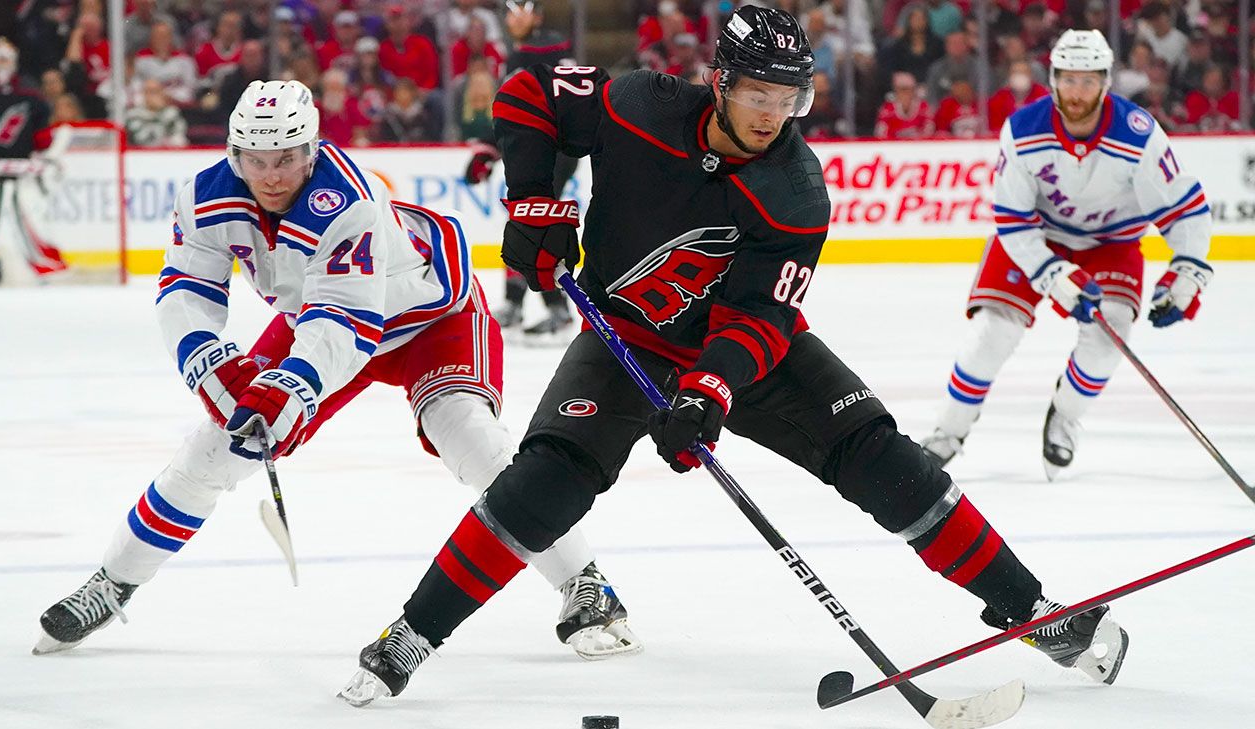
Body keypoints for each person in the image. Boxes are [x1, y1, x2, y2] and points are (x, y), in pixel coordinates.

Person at [336, 7, 1130, 708]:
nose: (772, 115)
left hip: (746, 356)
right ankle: (410, 635)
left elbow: (760, 314)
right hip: (626, 341)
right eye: (759, 95)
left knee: (880, 455)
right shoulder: (640, 105)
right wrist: (535, 199)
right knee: (544, 480)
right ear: (721, 81)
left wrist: (708, 391)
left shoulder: (794, 188)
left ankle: (1033, 612)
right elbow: (527, 90)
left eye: (789, 100)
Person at [32, 80, 641, 663]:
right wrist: (209, 365)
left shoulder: (350, 198)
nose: (271, 174)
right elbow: (186, 287)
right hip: (321, 322)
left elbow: (343, 321)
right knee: (213, 448)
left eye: (288, 157)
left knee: (475, 445)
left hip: (430, 318)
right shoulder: (206, 195)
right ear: (233, 152)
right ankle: (112, 584)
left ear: (314, 147)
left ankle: (586, 583)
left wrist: (285, 388)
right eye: (255, 158)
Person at [920, 30, 1213, 479]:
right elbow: (1012, 218)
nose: (1078, 92)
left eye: (1089, 81)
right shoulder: (1022, 130)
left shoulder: (1138, 135)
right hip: (1038, 238)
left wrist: (1188, 272)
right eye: (1069, 80)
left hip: (1111, 245)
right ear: (1053, 80)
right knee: (991, 334)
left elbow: (1185, 208)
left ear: (1106, 82)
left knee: (1108, 337)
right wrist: (1052, 275)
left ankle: (1065, 416)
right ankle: (948, 432)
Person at [462, 0, 576, 341]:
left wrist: (490, 147)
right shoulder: (522, 52)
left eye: (521, 9)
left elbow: (524, 109)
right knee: (525, 222)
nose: (513, 17)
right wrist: (490, 148)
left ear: (537, 15)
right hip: (540, 148)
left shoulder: (542, 49)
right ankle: (523, 304)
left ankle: (554, 309)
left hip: (551, 149)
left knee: (531, 223)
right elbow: (514, 110)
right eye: (510, 11)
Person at [0, 37, 68, 284]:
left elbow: (42, 136)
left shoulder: (30, 93)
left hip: (23, 171)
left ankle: (48, 266)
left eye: (6, 59)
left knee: (35, 219)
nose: (2, 64)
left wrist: (47, 156)